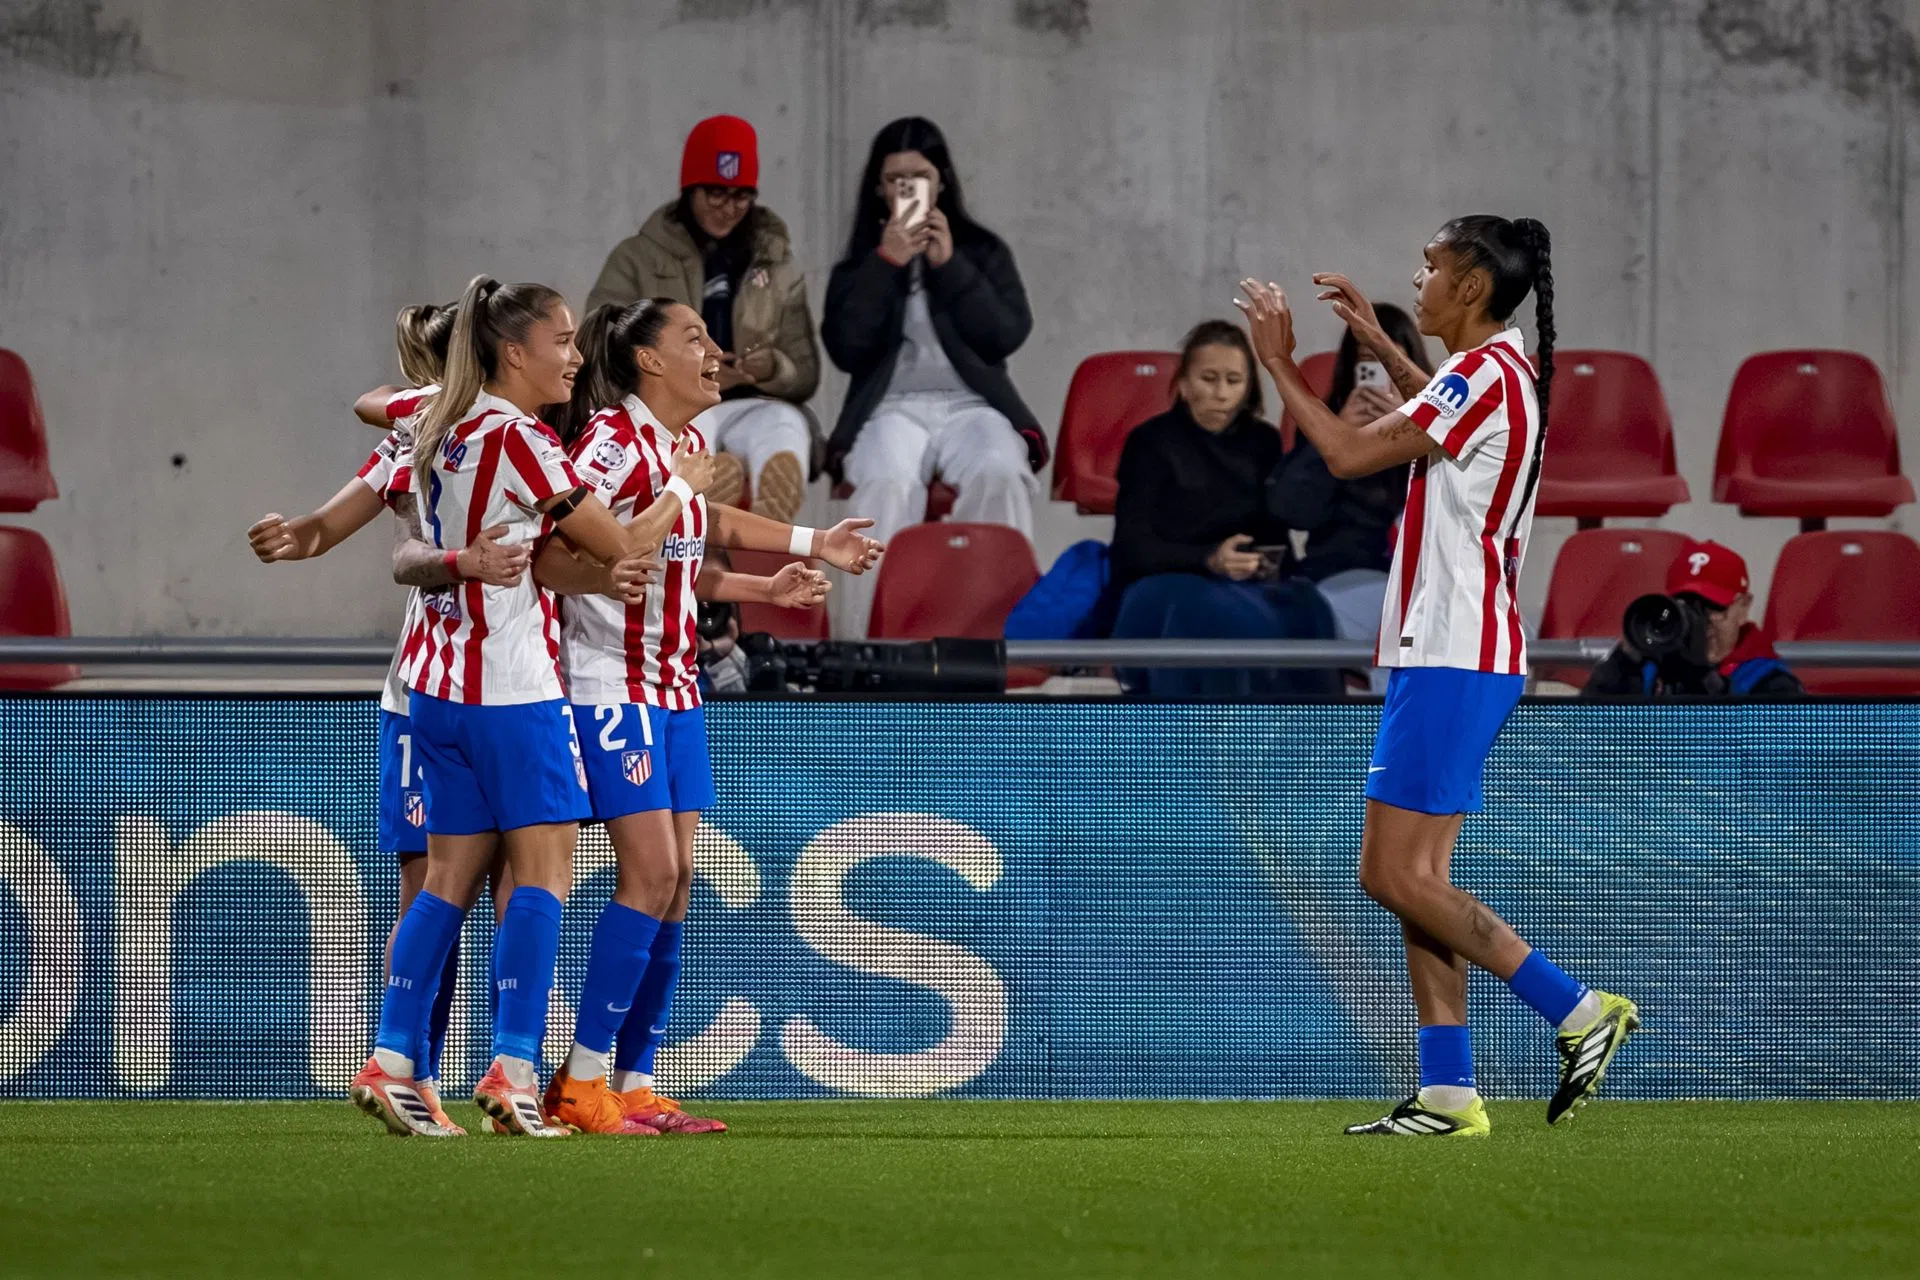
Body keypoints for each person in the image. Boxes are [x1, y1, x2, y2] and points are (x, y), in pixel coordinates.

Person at [1237, 214, 1640, 1139]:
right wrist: (1381, 342)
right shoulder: (1500, 373)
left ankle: (1577, 1008)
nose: (1415, 277)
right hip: (1461, 649)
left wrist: (1280, 362)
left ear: (1468, 288)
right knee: (1421, 876)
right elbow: (1445, 425)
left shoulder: (1480, 376)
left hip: (1453, 649)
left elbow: (1343, 456)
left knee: (1388, 874)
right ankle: (1450, 1093)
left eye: (1429, 265)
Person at [347, 275, 689, 1139]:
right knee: (543, 877)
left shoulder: (440, 427)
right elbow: (617, 546)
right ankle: (515, 1069)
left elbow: (383, 440)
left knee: (446, 884)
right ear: (514, 352)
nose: (576, 357)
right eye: (563, 340)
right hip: (512, 686)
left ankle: (392, 1061)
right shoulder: (521, 438)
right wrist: (681, 491)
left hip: (430, 686)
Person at [538, 297, 880, 1135]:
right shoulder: (610, 445)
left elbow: (695, 538)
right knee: (649, 876)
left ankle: (634, 1080)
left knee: (681, 886)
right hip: (608, 682)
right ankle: (577, 1084)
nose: (715, 352)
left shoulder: (685, 446)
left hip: (676, 686)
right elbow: (554, 557)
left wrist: (793, 560)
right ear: (648, 361)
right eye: (694, 338)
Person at [247, 303, 540, 1133]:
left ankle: (497, 1068)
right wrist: (296, 534)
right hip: (431, 689)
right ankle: (413, 1065)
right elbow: (337, 526)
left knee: (515, 886)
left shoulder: (530, 435)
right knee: (437, 889)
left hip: (518, 686)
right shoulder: (418, 437)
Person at [821, 116, 1048, 635]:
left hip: (973, 406)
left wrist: (952, 268)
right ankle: (864, 643)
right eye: (895, 181)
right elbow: (846, 349)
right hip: (891, 409)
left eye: (919, 177)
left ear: (941, 179)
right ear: (879, 189)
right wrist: (886, 263)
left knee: (1002, 471)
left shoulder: (983, 251)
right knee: (883, 482)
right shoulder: (860, 263)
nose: (908, 190)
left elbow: (1006, 334)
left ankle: (1002, 638)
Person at [585, 115, 818, 523]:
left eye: (741, 196)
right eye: (715, 193)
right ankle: (708, 507)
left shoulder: (777, 262)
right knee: (692, 444)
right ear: (690, 188)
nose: (728, 208)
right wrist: (685, 371)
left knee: (785, 426)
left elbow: (806, 372)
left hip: (755, 401)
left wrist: (772, 367)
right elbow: (599, 342)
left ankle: (765, 544)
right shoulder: (638, 256)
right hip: (674, 406)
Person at [1107, 320, 1337, 698]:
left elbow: (1273, 530)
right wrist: (1209, 559)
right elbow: (1133, 548)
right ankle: (1219, 742)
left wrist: (1272, 567)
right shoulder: (1150, 442)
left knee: (1309, 607)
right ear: (1183, 383)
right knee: (1219, 617)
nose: (1221, 393)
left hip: (1242, 583)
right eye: (1208, 379)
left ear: (1248, 388)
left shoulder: (1262, 441)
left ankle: (1315, 743)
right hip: (1164, 581)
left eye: (1233, 380)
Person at [1274, 303, 1434, 687]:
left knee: (1515, 634)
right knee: (1401, 632)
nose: (1381, 376)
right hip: (1342, 579)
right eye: (1369, 363)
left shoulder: (1439, 426)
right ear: (1351, 369)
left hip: (1421, 583)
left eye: (1391, 361)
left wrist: (1416, 430)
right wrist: (1338, 437)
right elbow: (1290, 510)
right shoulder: (1326, 423)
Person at [1583, 539, 1801, 697]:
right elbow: (1585, 735)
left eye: (1714, 607)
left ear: (1743, 607)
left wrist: (1703, 678)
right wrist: (1623, 660)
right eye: (1686, 606)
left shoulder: (1770, 682)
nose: (1700, 620)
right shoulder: (1649, 668)